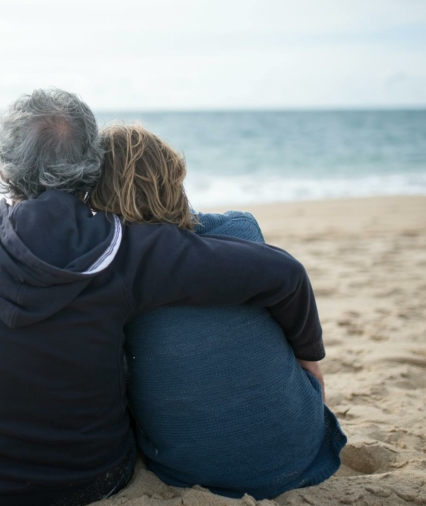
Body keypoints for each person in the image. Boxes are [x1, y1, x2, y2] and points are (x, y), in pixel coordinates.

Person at [0, 89, 324, 506]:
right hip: (96, 479)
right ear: (89, 166)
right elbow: (283, 272)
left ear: (5, 171)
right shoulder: (127, 250)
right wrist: (310, 360)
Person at [89, 123, 346, 500]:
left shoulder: (106, 271)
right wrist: (311, 361)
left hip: (189, 470)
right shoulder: (239, 231)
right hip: (297, 449)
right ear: (176, 175)